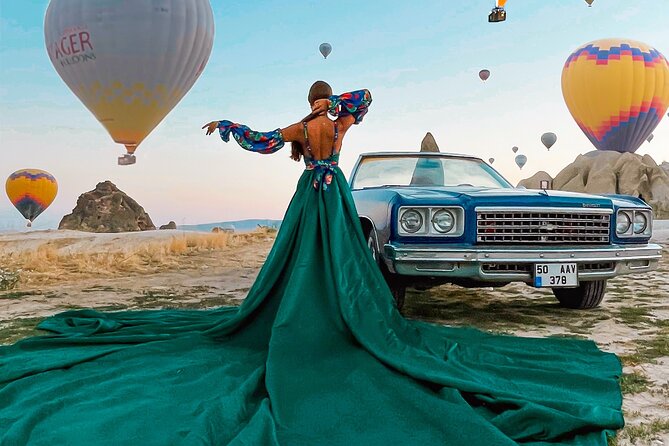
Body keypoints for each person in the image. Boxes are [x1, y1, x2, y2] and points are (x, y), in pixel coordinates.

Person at [0, 81, 623, 445]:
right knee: (306, 259)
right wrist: (230, 125)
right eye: (323, 102)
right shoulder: (301, 129)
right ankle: (313, 315)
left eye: (329, 103)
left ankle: (351, 309)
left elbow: (366, 96)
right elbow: (261, 142)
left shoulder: (338, 117)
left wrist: (329, 105)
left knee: (347, 261)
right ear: (313, 103)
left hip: (331, 192)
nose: (330, 108)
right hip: (321, 194)